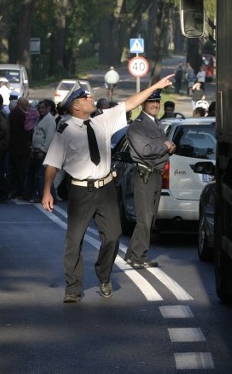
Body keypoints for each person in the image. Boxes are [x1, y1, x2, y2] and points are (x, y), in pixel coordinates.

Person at [41, 74, 174, 303]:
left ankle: (104, 275)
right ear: (76, 106)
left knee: (113, 236)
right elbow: (52, 163)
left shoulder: (103, 120)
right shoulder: (65, 131)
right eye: (85, 97)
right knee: (74, 240)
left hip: (106, 188)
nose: (91, 98)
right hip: (81, 190)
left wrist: (155, 85)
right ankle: (73, 287)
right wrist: (47, 191)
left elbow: (132, 102)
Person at [124, 90, 176, 269]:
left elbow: (158, 148)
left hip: (156, 174)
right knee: (145, 218)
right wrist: (165, 146)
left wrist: (169, 147)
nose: (155, 105)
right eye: (151, 102)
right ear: (142, 104)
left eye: (157, 102)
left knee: (150, 218)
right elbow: (145, 150)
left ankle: (132, 253)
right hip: (145, 175)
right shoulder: (137, 126)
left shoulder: (157, 122)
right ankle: (138, 257)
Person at [24, 99, 57, 203]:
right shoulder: (40, 118)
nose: (40, 110)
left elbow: (49, 137)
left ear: (48, 108)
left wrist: (43, 150)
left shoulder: (50, 120)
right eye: (39, 108)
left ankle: (42, 195)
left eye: (43, 108)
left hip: (43, 151)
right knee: (38, 174)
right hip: (36, 150)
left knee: (41, 175)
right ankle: (52, 197)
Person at [8, 97, 31, 199]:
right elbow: (26, 129)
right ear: (22, 105)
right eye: (27, 105)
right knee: (20, 170)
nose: (28, 107)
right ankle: (17, 191)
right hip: (21, 147)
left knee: (14, 170)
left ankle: (12, 190)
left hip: (14, 146)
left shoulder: (13, 113)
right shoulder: (21, 115)